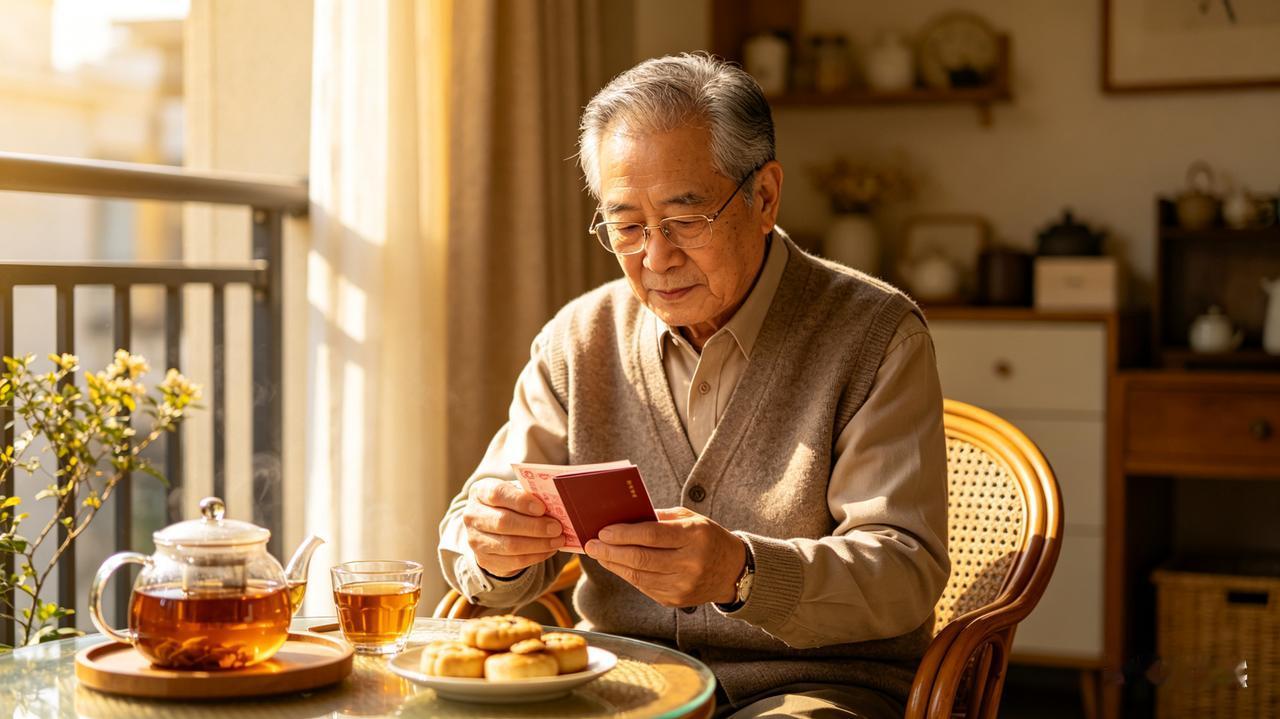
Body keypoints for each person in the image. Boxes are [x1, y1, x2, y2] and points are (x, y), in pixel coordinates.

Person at [438, 53, 949, 719]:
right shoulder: (578, 339)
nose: (655, 257)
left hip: (814, 689)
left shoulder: (876, 334)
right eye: (626, 226)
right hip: (618, 685)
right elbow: (472, 523)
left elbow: (903, 570)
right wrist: (498, 552)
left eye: (685, 219)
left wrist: (742, 572)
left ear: (764, 197)